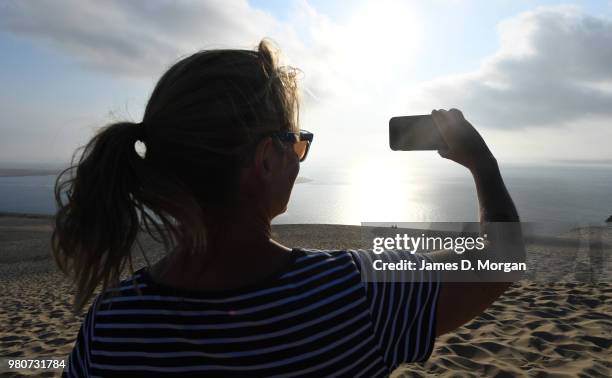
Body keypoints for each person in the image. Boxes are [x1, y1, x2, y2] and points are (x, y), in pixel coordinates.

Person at [54, 40, 524, 377]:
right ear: (264, 159)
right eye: (296, 142)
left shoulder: (111, 325)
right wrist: (481, 161)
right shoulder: (354, 294)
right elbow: (501, 262)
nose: (299, 155)